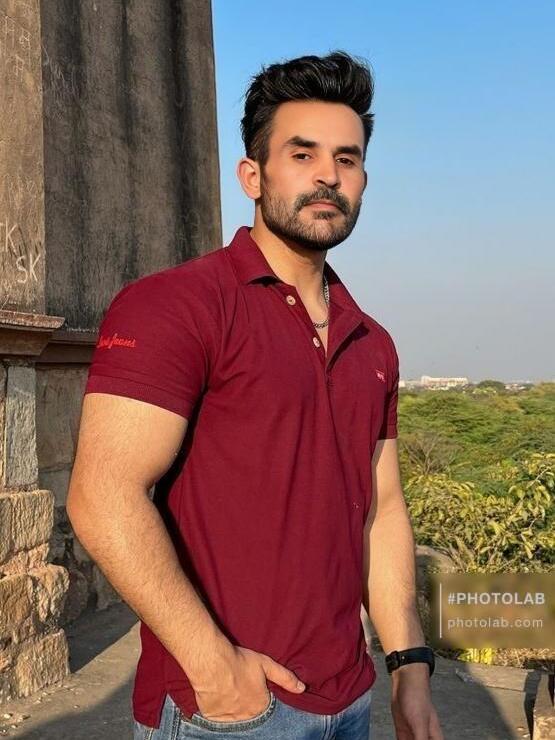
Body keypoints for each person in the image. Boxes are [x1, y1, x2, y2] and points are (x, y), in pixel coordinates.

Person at [67, 50, 444, 740]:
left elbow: (383, 510)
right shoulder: (177, 306)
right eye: (302, 154)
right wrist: (215, 667)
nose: (328, 174)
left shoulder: (372, 343)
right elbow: (103, 495)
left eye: (347, 159)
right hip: (229, 710)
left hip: (351, 699)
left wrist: (408, 668)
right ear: (252, 175)